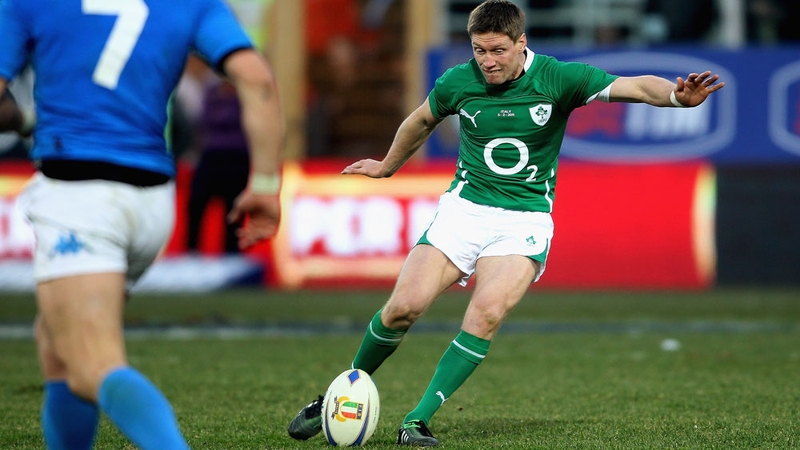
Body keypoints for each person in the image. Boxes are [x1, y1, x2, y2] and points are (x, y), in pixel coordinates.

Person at [287, 0, 724, 447]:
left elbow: (632, 86)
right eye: (479, 50)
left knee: (487, 313)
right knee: (403, 308)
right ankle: (336, 396)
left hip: (523, 220)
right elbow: (420, 120)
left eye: (497, 50)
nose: (488, 61)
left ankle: (417, 420)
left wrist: (675, 97)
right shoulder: (459, 81)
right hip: (464, 211)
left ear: (521, 43)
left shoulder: (558, 77)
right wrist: (386, 166)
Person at [0, 0, 284, 448]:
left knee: (93, 364)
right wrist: (266, 184)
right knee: (57, 344)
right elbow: (257, 78)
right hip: (152, 200)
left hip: (81, 192)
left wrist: (23, 118)